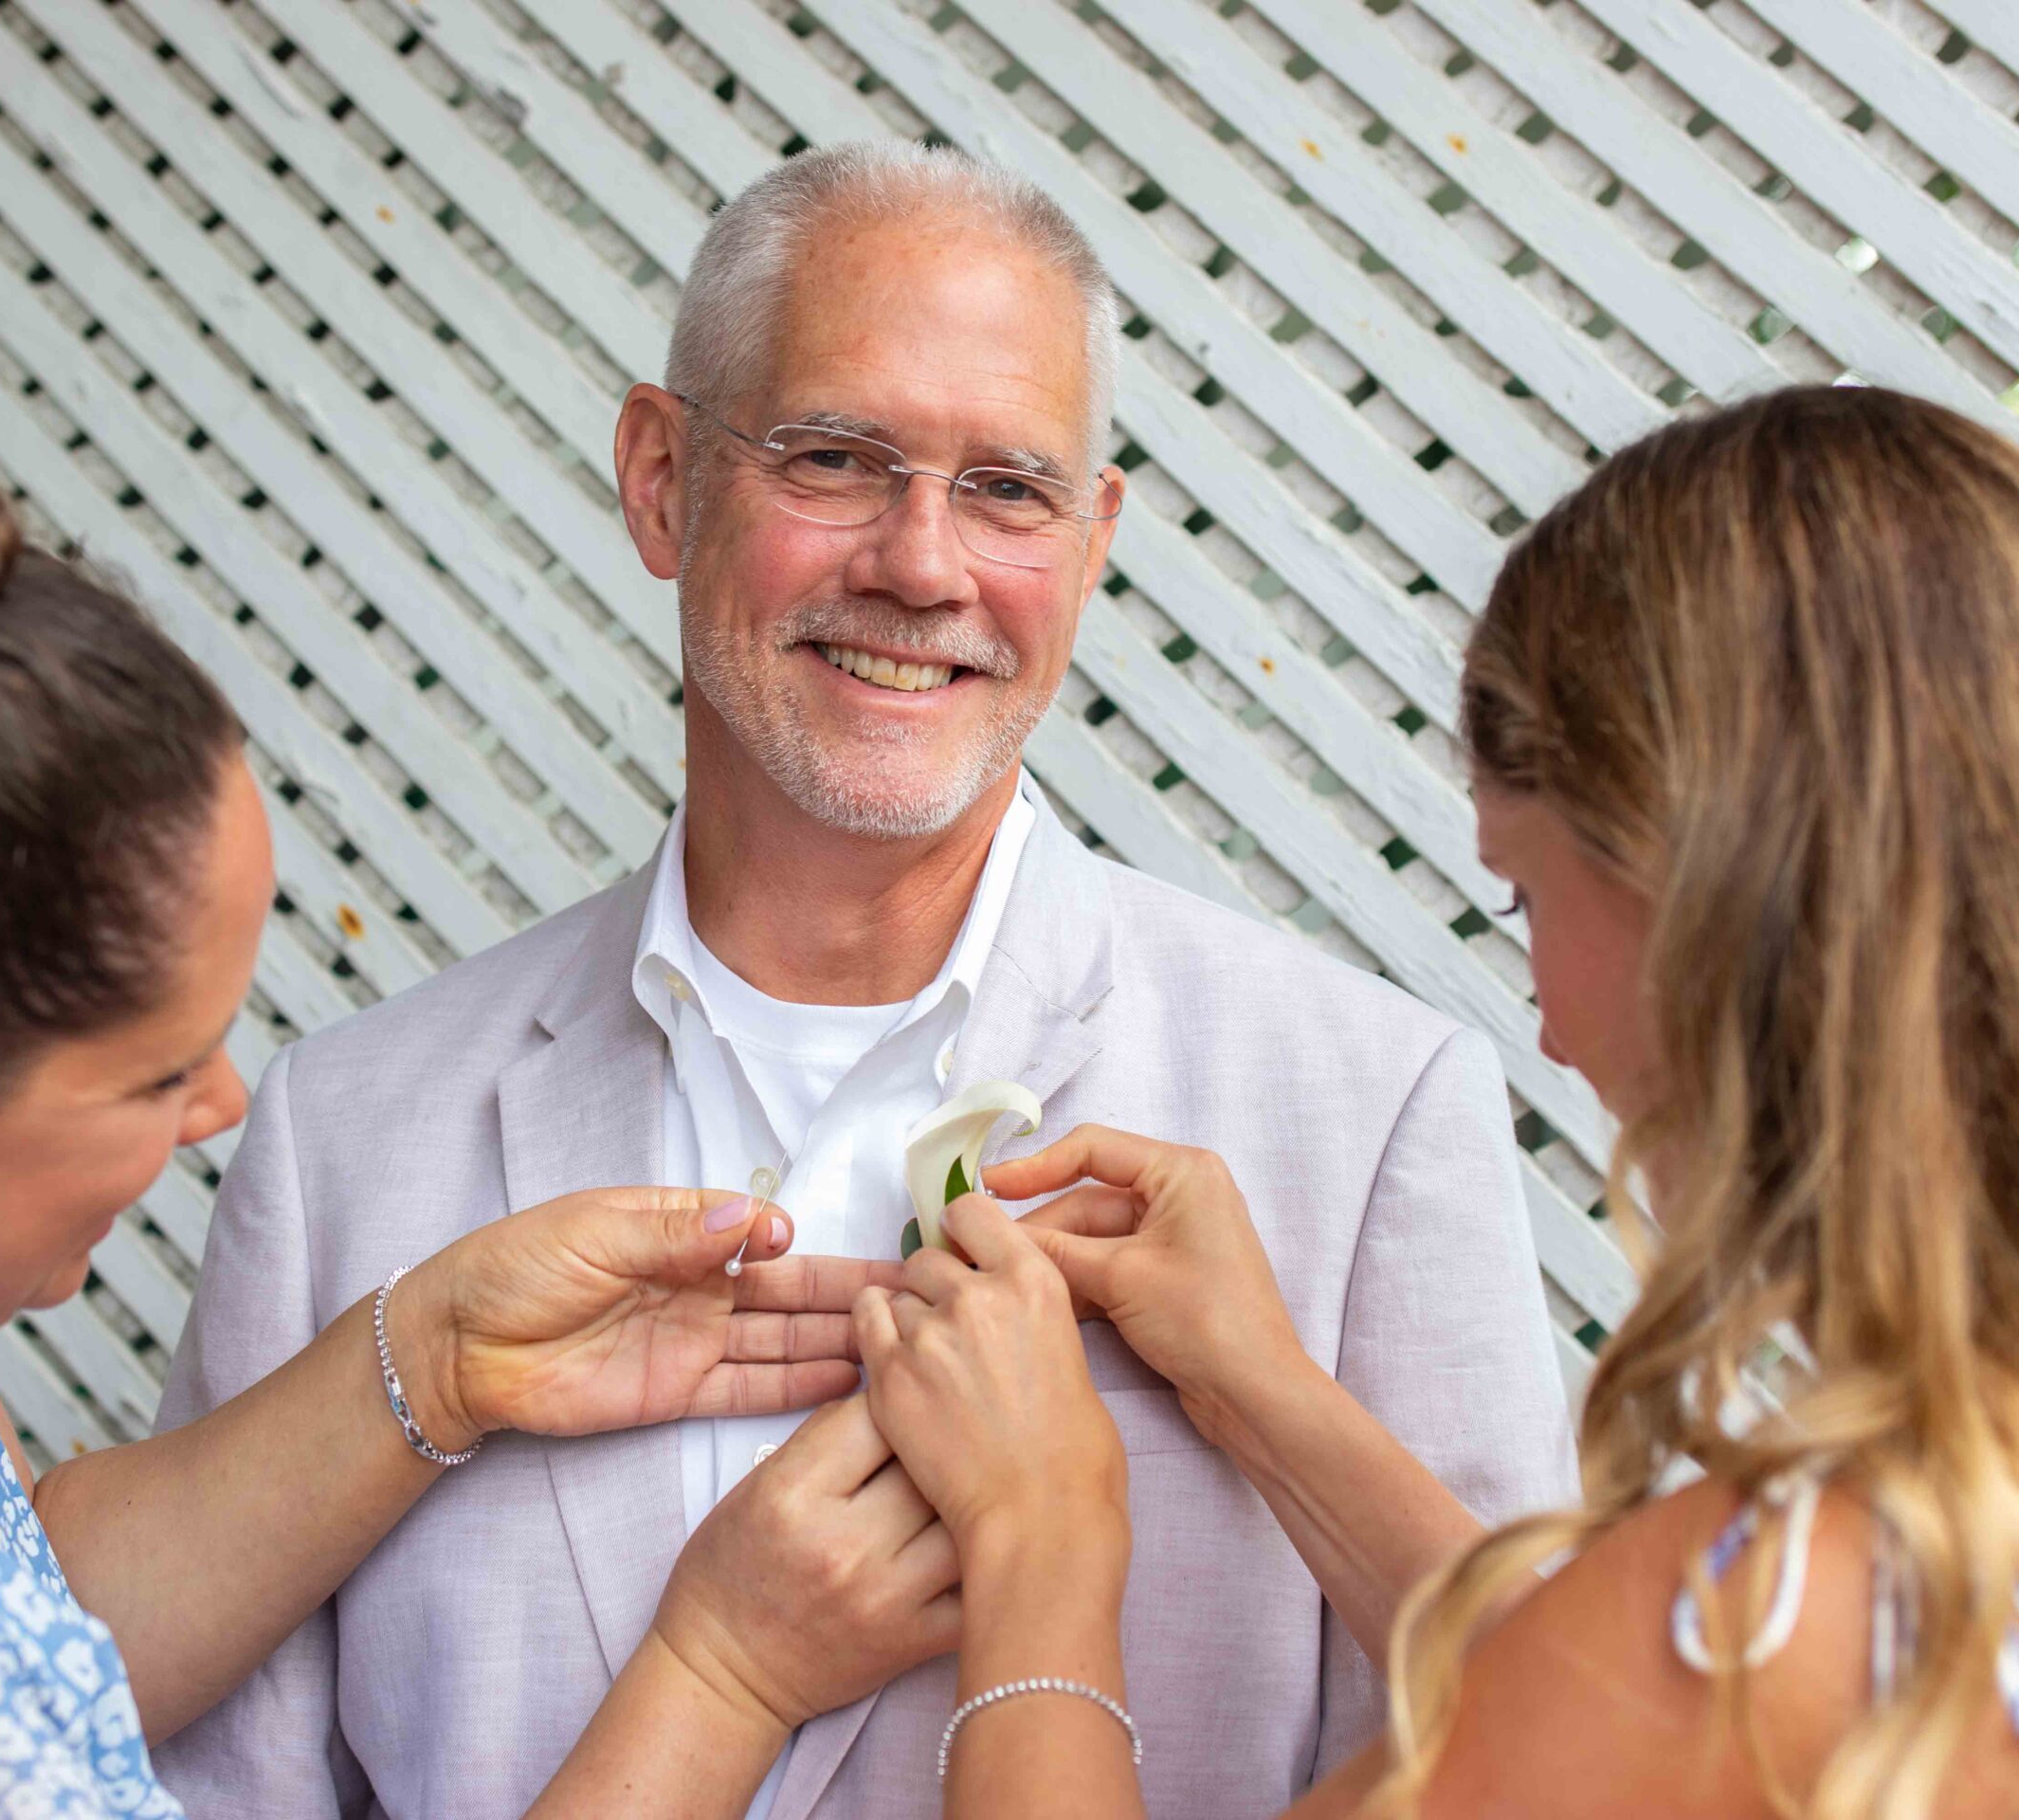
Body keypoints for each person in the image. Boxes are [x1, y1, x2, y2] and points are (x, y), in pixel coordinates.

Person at [156, 139, 1574, 1819]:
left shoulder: (1369, 1108)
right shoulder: (344, 1140)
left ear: (1094, 538)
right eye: (838, 458)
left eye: (1009, 490)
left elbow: (1540, 1757)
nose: (923, 564)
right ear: (663, 479)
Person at [0, 384, 932, 1814]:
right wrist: (723, 1668)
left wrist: (439, 1352)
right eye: (158, 1073)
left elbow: (41, 1613)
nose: (225, 1103)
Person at [857, 384, 2019, 1817]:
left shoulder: (1768, 1621)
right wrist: (1261, 1390)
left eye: (1529, 894)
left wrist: (1038, 1542)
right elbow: (1577, 1707)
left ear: (1703, 885)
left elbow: (1602, 1704)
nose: (1547, 1020)